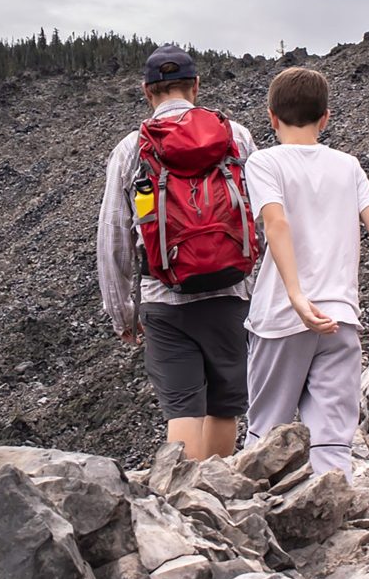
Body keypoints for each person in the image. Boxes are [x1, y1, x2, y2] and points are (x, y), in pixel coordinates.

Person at [240, 66, 369, 476]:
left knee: (266, 433)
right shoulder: (347, 166)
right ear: (325, 118)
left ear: (272, 117)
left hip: (281, 318)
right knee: (333, 440)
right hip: (341, 318)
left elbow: (276, 223)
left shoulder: (263, 162)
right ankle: (341, 518)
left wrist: (296, 295)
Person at [97, 44, 258, 461]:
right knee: (225, 406)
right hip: (231, 293)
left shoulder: (131, 149)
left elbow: (115, 237)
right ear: (196, 86)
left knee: (184, 406)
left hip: (164, 298)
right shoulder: (235, 136)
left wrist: (123, 315)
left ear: (147, 91)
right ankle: (221, 498)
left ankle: (187, 507)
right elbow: (262, 215)